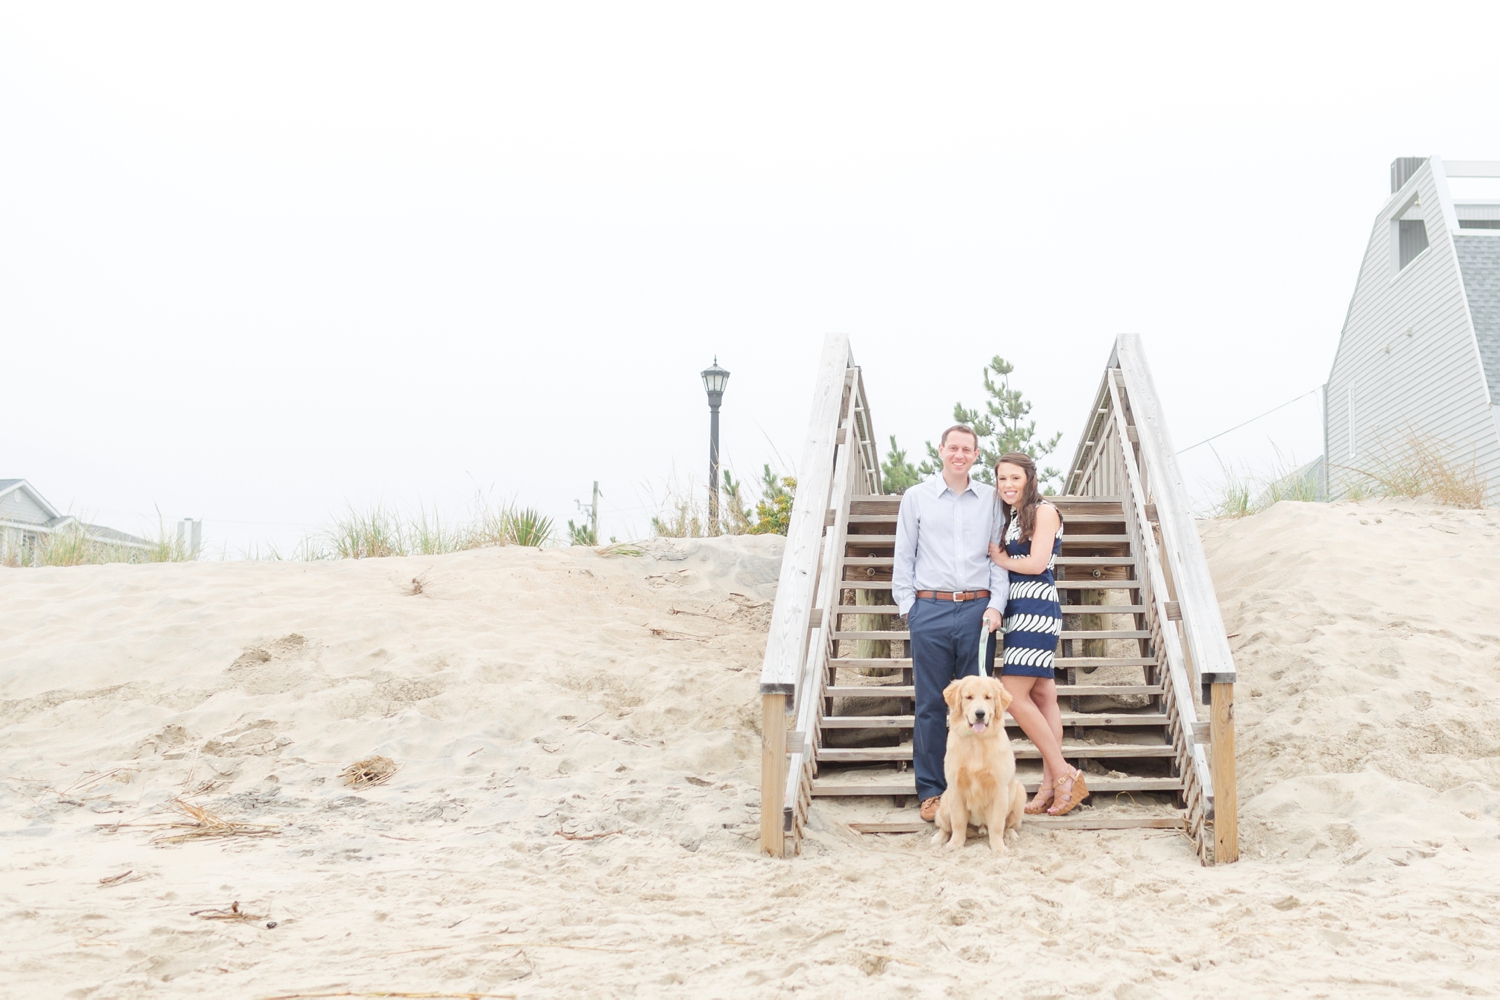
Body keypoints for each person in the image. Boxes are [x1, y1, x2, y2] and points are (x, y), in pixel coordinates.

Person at [892, 424, 1007, 823]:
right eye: (953, 448)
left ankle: (975, 790)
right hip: (931, 610)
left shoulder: (992, 500)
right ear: (941, 450)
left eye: (967, 449)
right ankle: (932, 792)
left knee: (977, 707)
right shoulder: (917, 498)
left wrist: (996, 606)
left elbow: (998, 558)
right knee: (929, 704)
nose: (960, 455)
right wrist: (911, 610)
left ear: (976, 455)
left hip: (978, 612)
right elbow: (904, 555)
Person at [988, 451, 1089, 816]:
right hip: (1017, 611)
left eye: (1015, 478)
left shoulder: (1045, 511)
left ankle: (1064, 775)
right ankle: (1049, 787)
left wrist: (1000, 559)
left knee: (1012, 695)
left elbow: (1037, 563)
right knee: (1044, 695)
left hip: (1037, 609)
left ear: (1029, 478)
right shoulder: (1012, 516)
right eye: (1002, 479)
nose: (1008, 485)